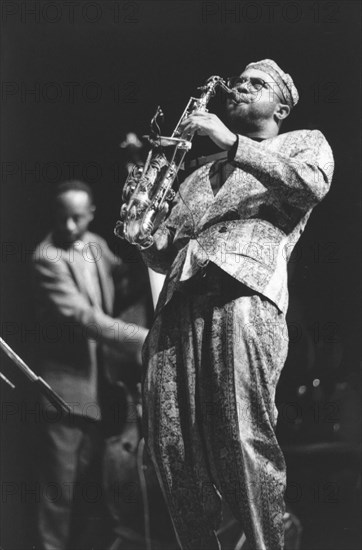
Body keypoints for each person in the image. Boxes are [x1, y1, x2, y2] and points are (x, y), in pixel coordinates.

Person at [140, 59, 334, 549]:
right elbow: (166, 254)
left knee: (241, 440)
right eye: (239, 82)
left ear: (282, 106)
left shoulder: (304, 141)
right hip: (179, 305)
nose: (241, 88)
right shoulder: (199, 172)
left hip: (244, 297)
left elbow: (310, 185)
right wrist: (145, 230)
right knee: (171, 446)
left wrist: (232, 143)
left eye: (256, 84)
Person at [31, 180, 148, 550]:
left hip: (104, 387)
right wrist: (143, 337)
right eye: (62, 218)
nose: (68, 227)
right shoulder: (46, 258)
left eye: (77, 218)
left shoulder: (96, 244)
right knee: (59, 493)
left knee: (92, 491)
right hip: (66, 392)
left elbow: (123, 278)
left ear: (91, 214)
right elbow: (86, 317)